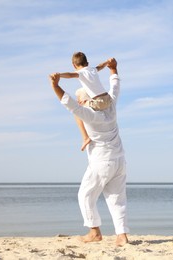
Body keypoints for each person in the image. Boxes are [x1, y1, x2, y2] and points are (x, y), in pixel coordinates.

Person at [49, 58, 129, 247]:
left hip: (102, 162)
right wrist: (114, 69)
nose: (79, 101)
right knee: (117, 199)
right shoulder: (111, 105)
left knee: (85, 195)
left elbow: (68, 103)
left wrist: (55, 85)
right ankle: (122, 236)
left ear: (86, 100)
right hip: (120, 161)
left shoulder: (90, 114)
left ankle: (94, 232)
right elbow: (115, 87)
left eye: (81, 99)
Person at [59, 52, 112, 151]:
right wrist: (107, 62)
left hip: (99, 103)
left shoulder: (80, 72)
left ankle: (85, 137)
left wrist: (59, 75)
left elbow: (70, 75)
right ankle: (87, 102)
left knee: (76, 110)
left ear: (74, 65)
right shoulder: (92, 69)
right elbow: (100, 66)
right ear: (87, 63)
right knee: (83, 97)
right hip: (107, 99)